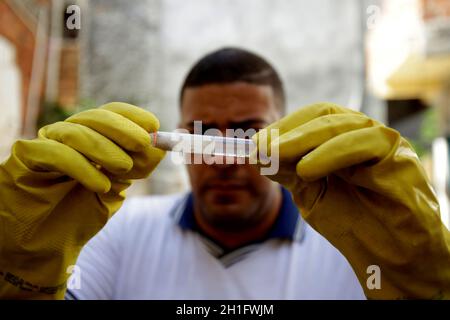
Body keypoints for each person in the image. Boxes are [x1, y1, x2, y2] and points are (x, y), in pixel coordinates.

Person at [0, 48, 449, 300]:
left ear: (284, 131)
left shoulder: (354, 249)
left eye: (246, 134)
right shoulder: (119, 234)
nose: (219, 157)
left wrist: (424, 290)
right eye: (199, 135)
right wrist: (20, 277)